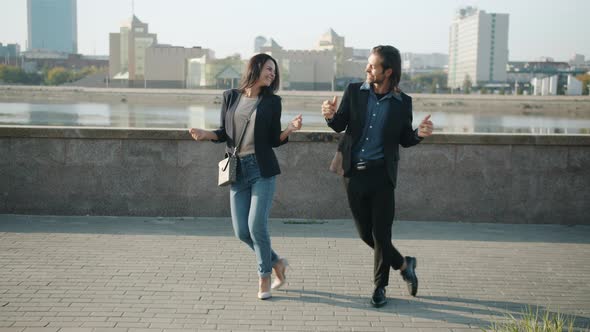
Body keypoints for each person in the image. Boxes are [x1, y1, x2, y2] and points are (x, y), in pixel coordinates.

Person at [321, 45, 433, 307]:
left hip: (382, 177)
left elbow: (405, 138)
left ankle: (380, 288)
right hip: (353, 175)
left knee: (382, 236)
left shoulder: (403, 102)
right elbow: (340, 124)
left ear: (388, 71)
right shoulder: (353, 92)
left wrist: (419, 134)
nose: (367, 69)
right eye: (368, 65)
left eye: (372, 66)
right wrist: (329, 116)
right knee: (365, 235)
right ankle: (404, 264)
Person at [189, 53, 302, 300]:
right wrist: (205, 134)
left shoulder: (273, 102)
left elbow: (274, 139)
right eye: (268, 69)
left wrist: (290, 129)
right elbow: (223, 133)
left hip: (262, 170)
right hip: (237, 170)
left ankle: (264, 277)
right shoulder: (230, 97)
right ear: (256, 67)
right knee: (241, 231)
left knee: (256, 226)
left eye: (274, 71)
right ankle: (276, 262)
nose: (272, 74)